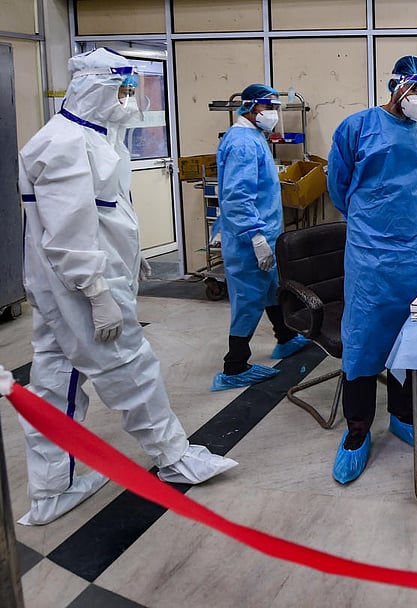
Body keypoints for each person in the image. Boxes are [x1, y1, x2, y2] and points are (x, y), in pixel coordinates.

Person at [16, 48, 237, 525]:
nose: (130, 99)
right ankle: (173, 457)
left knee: (56, 381)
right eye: (124, 89)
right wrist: (97, 292)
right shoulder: (63, 144)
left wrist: (130, 259)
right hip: (78, 289)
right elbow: (68, 234)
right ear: (94, 88)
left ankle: (54, 488)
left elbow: (106, 214)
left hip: (79, 281)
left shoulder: (97, 138)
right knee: (131, 369)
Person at [327, 55, 417, 483]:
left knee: (411, 339)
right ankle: (357, 433)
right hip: (371, 256)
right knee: (362, 344)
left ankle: (402, 415)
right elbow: (339, 187)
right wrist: (373, 218)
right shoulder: (357, 128)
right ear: (396, 88)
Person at [210, 83, 309, 392]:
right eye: (271, 108)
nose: (274, 115)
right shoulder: (242, 143)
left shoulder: (251, 137)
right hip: (249, 239)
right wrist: (255, 238)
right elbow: (237, 196)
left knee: (270, 288)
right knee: (249, 299)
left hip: (259, 232)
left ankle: (285, 337)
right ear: (254, 109)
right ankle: (234, 367)